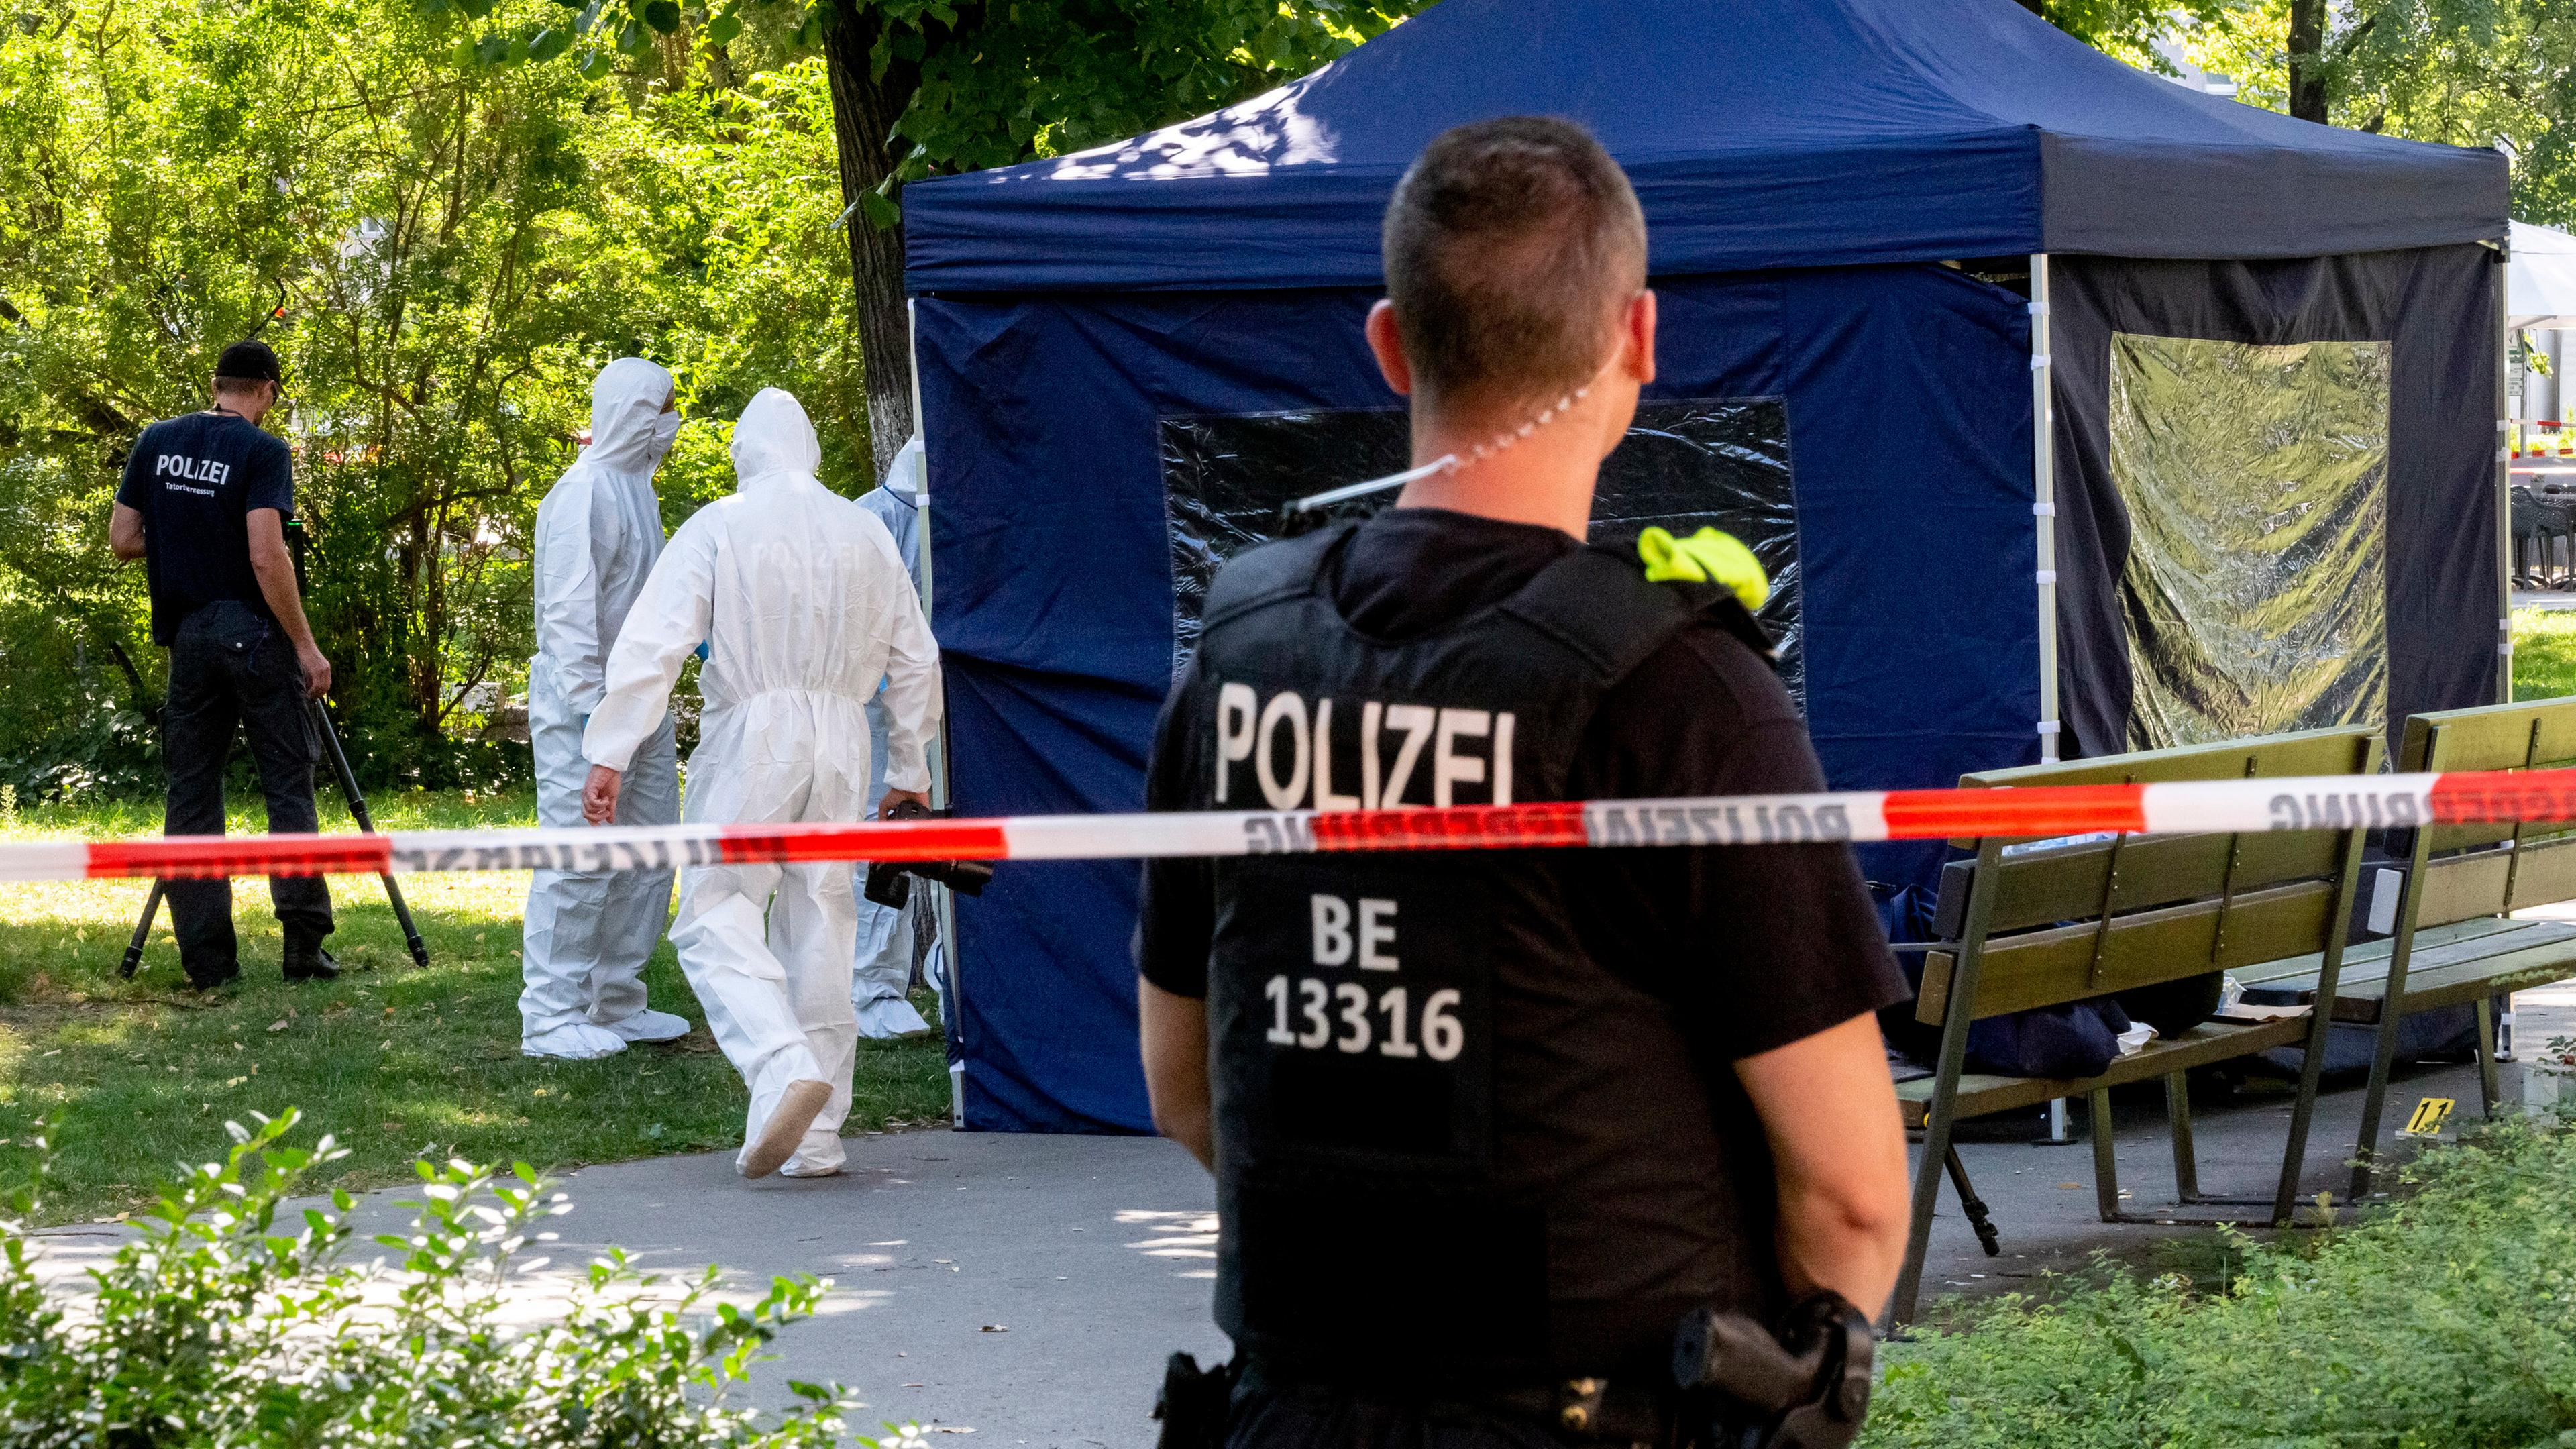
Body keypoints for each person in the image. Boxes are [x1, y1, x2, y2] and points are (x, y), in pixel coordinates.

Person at [1132, 118, 1912, 1448]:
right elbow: (1850, 1198)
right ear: (1641, 339)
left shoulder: (1238, 660)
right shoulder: (1680, 698)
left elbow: (1188, 1086)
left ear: (1390, 343)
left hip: (1294, 1410)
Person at [580, 388, 941, 1179]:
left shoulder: (722, 524)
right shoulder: (867, 531)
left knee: (717, 911)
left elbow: (656, 639)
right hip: (846, 737)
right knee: (823, 916)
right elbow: (917, 659)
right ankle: (815, 1138)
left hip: (755, 736)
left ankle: (781, 1064)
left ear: (746, 451)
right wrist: (909, 771)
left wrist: (610, 748)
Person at [107, 339, 337, 989]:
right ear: (266, 390)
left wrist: (184, 536)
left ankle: (208, 965)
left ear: (216, 384)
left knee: (192, 797)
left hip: (189, 639)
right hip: (254, 634)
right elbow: (268, 556)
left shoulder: (156, 440)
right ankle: (303, 950)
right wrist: (306, 646)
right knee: (288, 785)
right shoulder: (263, 452)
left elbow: (123, 539)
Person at [519, 358, 692, 1061]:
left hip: (641, 704)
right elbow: (569, 617)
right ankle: (550, 1016)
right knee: (580, 856)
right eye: (662, 408)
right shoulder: (584, 491)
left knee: (649, 854)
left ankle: (617, 999)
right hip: (583, 710)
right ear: (631, 411)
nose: (671, 423)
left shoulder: (636, 491)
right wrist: (597, 724)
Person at [850, 436, 936, 1040]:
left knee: (940, 836)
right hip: (875, 711)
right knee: (882, 835)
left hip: (942, 702)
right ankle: (871, 986)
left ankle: (940, 965)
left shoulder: (959, 520)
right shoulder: (870, 521)